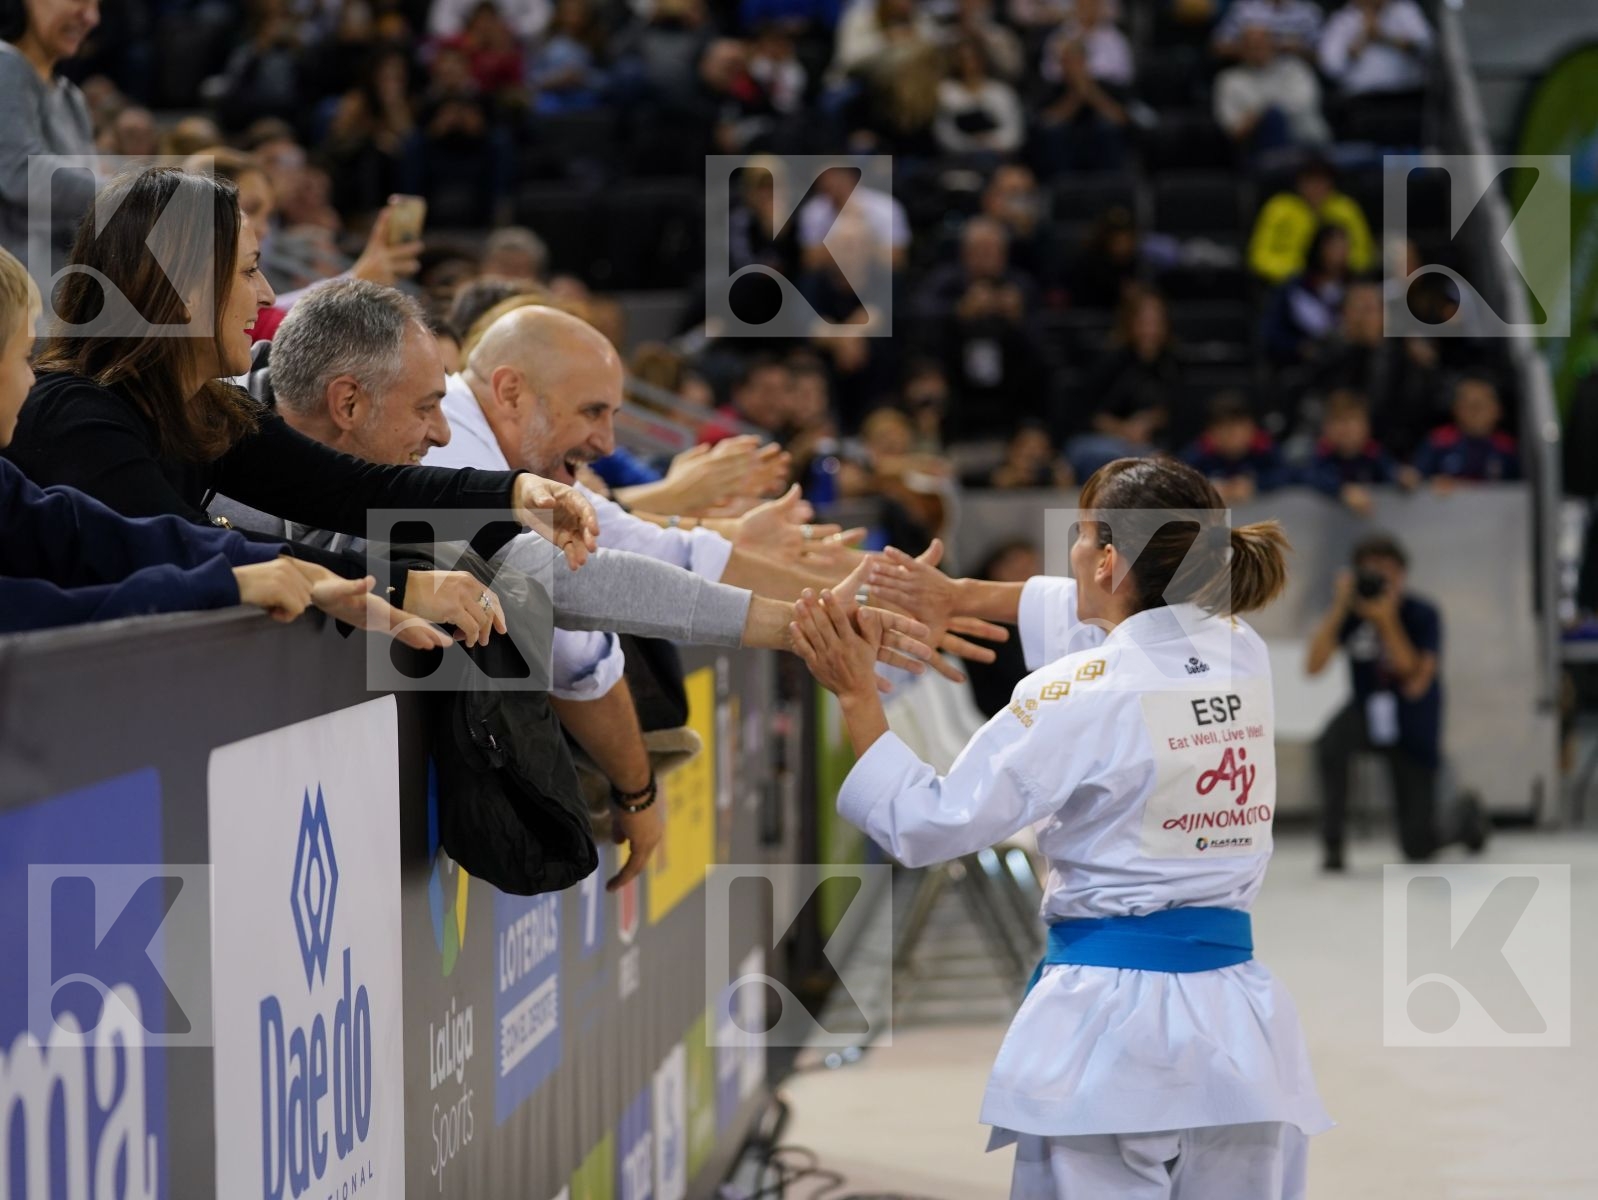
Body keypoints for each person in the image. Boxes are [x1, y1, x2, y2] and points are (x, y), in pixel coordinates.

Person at [791, 455, 1331, 1197]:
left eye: (1080, 539)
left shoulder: (1077, 695)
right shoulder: (1239, 651)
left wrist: (857, 694)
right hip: (1241, 1029)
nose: (1070, 555)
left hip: (1111, 1031)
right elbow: (1115, 623)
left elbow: (927, 825)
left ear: (1108, 561)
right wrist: (964, 596)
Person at [2, 167, 598, 635]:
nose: (265, 295)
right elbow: (189, 548)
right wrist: (398, 586)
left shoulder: (196, 407)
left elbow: (355, 489)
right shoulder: (74, 418)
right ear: (182, 291)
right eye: (249, 271)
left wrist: (515, 493)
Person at [0, 243, 447, 643]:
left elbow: (128, 536)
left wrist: (285, 570)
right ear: (182, 296)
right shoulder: (73, 415)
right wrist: (235, 581)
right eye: (22, 357)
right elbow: (46, 607)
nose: (31, 377)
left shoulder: (16, 485)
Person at [1306, 532, 1488, 870]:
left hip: (1413, 723)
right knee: (1330, 743)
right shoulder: (1350, 616)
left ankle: (1465, 819)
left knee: (1418, 846)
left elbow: (1413, 677)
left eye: (1387, 572)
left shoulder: (1423, 613)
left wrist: (1385, 619)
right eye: (1370, 572)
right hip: (1366, 712)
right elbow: (1313, 666)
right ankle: (1333, 845)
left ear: (1402, 575)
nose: (1380, 580)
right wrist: (1339, 607)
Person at [0, 0, 99, 266]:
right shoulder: (4, 64)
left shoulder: (72, 99)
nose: (91, 17)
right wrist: (132, 193)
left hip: (66, 290)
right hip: (18, 296)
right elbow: (22, 171)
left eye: (96, 4)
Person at [1247, 157, 1375, 285]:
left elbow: (1364, 254)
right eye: (1310, 181)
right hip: (1286, 283)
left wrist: (1341, 268)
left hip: (1340, 283)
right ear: (1299, 183)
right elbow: (1259, 256)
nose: (1316, 187)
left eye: (1322, 181)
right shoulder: (1279, 208)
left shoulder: (1345, 209)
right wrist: (1296, 275)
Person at [1213, 19, 1330, 155]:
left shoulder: (1295, 69)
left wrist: (1259, 113)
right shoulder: (1229, 80)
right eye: (1251, 45)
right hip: (1262, 153)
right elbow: (1234, 130)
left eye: (1262, 43)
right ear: (1240, 49)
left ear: (1273, 45)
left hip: (1311, 145)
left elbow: (1305, 105)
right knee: (1273, 118)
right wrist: (1259, 119)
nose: (1257, 49)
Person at [1298, 388, 1414, 514]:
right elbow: (1311, 477)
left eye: (1352, 422)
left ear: (1366, 427)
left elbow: (1390, 470)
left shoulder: (1373, 452)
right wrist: (1342, 491)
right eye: (1338, 422)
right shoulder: (1321, 454)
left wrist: (1401, 476)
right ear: (1326, 427)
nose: (1346, 430)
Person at [1410, 375, 1521, 485]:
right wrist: (1431, 482)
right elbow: (1414, 477)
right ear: (1455, 409)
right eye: (1467, 405)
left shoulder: (1508, 448)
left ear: (1498, 410)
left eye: (1480, 405)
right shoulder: (1438, 441)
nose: (1474, 413)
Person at [1181, 392, 1287, 504]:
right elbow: (1179, 480)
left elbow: (1287, 475)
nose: (1234, 439)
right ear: (1210, 432)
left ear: (1253, 427)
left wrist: (1256, 485)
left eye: (1240, 429)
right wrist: (1206, 489)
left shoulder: (1265, 448)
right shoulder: (1198, 453)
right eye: (1225, 431)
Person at [1317, 0, 1432, 98]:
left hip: (1408, 95)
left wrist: (1384, 37)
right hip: (1362, 101)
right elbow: (1330, 67)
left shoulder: (1404, 11)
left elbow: (1428, 48)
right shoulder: (1342, 20)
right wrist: (1363, 38)